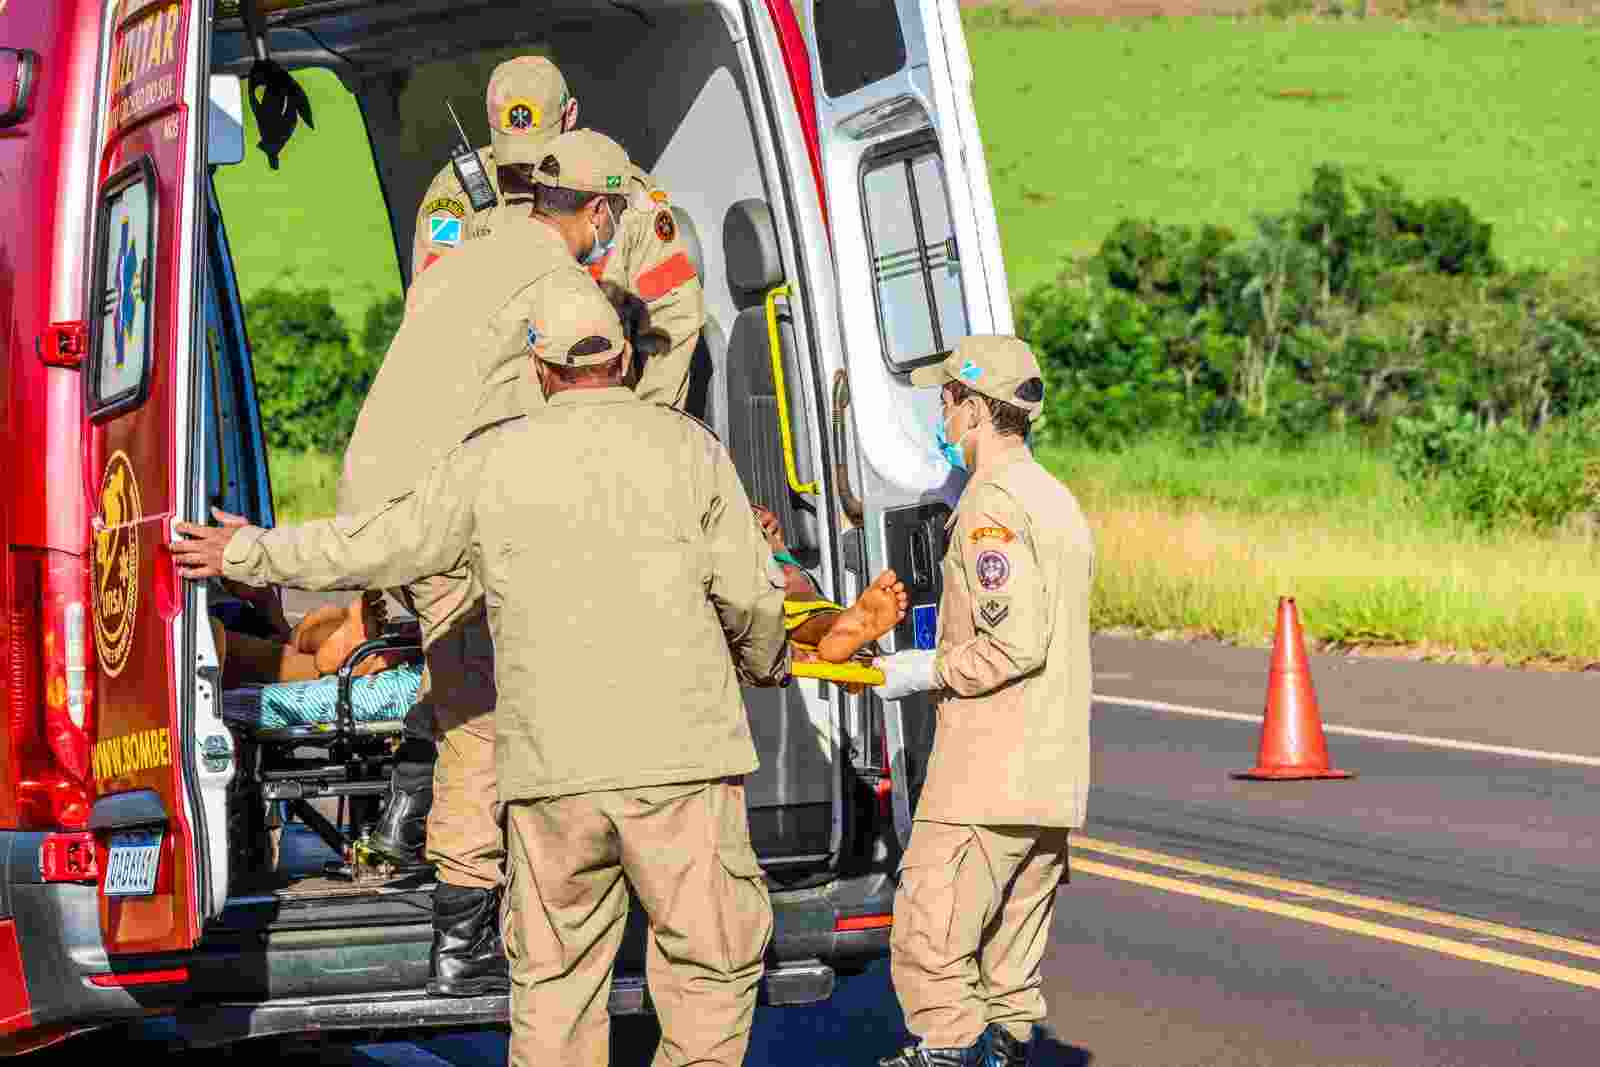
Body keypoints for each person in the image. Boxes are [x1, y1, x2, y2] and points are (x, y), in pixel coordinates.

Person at [170, 281, 786, 1067]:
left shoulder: (488, 461)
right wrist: (765, 665)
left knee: (555, 989)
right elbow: (751, 596)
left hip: (550, 778)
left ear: (540, 367)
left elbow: (370, 544)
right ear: (626, 357)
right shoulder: (692, 449)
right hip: (682, 767)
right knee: (708, 970)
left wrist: (249, 551)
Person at [340, 128, 642, 997]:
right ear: (596, 211)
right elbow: (555, 420)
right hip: (430, 511)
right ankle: (463, 935)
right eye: (611, 213)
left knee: (462, 664)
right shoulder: (557, 287)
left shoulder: (473, 247)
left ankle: (404, 813)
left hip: (376, 498)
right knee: (484, 709)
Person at [869, 336, 1096, 1067]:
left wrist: (920, 668)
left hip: (985, 780)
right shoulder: (1054, 499)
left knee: (929, 947)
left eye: (946, 399)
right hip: (1049, 783)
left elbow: (1014, 641)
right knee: (1009, 987)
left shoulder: (990, 505)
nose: (942, 411)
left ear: (973, 406)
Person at [411, 54, 704, 407]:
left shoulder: (623, 194)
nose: (526, 170)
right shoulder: (459, 197)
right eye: (512, 153)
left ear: (571, 116)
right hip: (496, 430)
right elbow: (433, 318)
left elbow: (674, 307)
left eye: (538, 153)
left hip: (603, 418)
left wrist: (648, 421)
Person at [210, 585, 407, 690]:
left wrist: (262, 596)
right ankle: (352, 660)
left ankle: (323, 633)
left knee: (288, 639)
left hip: (237, 622)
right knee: (213, 643)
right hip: (214, 637)